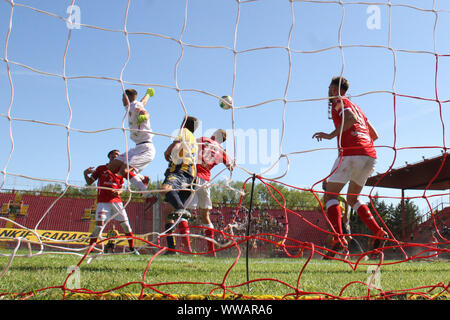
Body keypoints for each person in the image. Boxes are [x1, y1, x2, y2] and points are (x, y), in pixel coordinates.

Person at [312, 76, 387, 258]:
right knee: (353, 198)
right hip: (369, 155)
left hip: (351, 153)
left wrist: (331, 135)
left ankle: (338, 238)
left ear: (335, 89)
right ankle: (378, 231)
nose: (329, 92)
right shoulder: (359, 108)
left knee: (330, 195)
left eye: (330, 88)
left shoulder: (339, 102)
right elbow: (374, 135)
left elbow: (351, 118)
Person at [108, 88, 157, 209]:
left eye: (123, 97)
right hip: (137, 147)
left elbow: (145, 112)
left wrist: (144, 117)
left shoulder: (136, 107)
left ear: (126, 96)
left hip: (146, 147)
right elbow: (143, 102)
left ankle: (149, 195)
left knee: (124, 171)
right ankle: (141, 178)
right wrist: (148, 95)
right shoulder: (130, 106)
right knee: (112, 167)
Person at [84, 149, 139, 255]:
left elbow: (122, 188)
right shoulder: (101, 168)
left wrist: (118, 191)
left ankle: (132, 248)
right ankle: (90, 248)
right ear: (109, 156)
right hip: (103, 202)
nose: (116, 156)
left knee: (126, 226)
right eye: (114, 154)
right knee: (99, 226)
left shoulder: (121, 171)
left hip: (117, 202)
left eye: (118, 155)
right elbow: (89, 182)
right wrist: (85, 173)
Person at [161, 116, 199, 253]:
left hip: (180, 170)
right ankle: (172, 248)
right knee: (167, 212)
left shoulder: (183, 131)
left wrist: (168, 150)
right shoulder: (193, 140)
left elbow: (176, 144)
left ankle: (182, 209)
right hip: (192, 177)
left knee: (165, 189)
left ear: (183, 123)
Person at [193, 129, 232, 256]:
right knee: (205, 215)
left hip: (193, 177)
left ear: (215, 135)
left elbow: (190, 145)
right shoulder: (221, 151)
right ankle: (211, 251)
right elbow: (231, 166)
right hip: (205, 181)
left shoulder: (204, 139)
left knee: (183, 211)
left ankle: (186, 248)